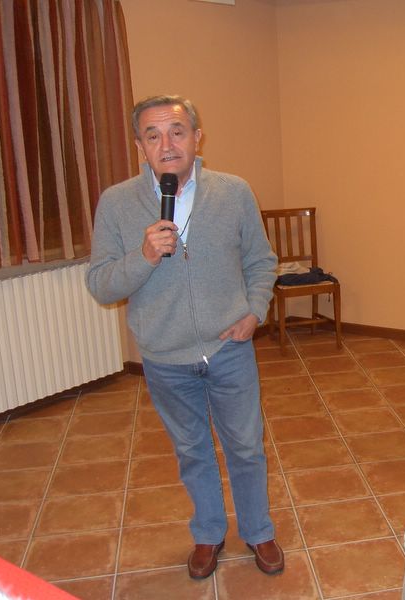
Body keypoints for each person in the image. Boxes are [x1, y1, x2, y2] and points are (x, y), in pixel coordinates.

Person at [86, 95, 283, 579]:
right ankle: (208, 534)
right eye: (152, 135)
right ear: (140, 146)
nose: (167, 144)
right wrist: (145, 256)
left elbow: (261, 261)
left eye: (177, 132)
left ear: (197, 137)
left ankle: (258, 531)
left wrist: (255, 311)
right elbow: (101, 284)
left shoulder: (234, 192)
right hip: (165, 358)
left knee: (246, 447)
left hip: (229, 347)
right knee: (192, 451)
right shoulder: (116, 203)